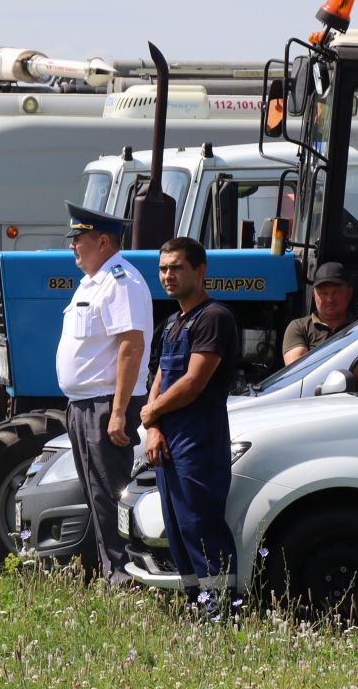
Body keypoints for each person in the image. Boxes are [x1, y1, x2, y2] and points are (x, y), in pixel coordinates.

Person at [141, 237, 241, 612]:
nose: (168, 275)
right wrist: (153, 426)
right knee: (179, 530)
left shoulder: (213, 317)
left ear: (201, 270)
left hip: (199, 436)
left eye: (177, 267)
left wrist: (151, 414)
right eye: (164, 268)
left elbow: (193, 382)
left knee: (200, 525)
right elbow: (161, 376)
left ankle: (221, 612)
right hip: (169, 436)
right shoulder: (172, 323)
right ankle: (197, 607)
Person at [54, 202, 152, 585]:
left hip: (105, 403)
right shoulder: (94, 280)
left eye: (79, 239)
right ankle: (111, 571)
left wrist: (117, 411)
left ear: (104, 240)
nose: (73, 247)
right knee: (96, 494)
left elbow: (130, 345)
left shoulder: (120, 281)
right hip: (84, 404)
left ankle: (124, 577)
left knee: (111, 495)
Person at [281, 261, 357, 364]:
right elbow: (298, 372)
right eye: (323, 294)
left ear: (349, 293)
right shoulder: (300, 328)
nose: (329, 299)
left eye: (336, 292)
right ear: (314, 295)